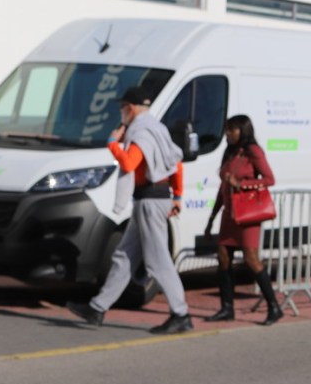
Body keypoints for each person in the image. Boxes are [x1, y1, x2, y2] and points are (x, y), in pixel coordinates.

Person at [67, 85, 192, 334]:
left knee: (157, 261)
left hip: (149, 201)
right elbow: (176, 163)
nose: (121, 112)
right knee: (124, 256)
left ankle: (181, 314)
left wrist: (113, 144)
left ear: (131, 108)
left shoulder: (141, 132)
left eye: (123, 108)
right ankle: (97, 307)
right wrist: (177, 195)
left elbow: (129, 162)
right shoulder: (157, 128)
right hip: (154, 198)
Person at [202, 114, 281, 325]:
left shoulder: (253, 151)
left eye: (232, 129)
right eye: (227, 130)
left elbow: (269, 179)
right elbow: (223, 187)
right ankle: (226, 308)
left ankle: (274, 306)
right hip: (229, 214)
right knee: (223, 258)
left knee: (251, 259)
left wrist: (242, 184)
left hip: (247, 214)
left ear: (243, 130)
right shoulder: (230, 152)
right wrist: (211, 218)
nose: (228, 134)